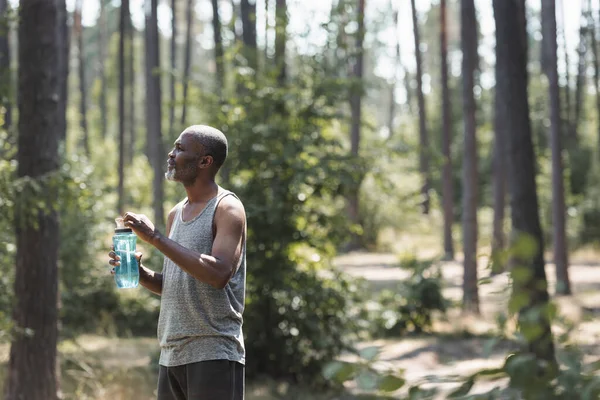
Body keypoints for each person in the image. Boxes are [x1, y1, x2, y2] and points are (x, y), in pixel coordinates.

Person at [108, 125, 247, 400]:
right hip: (172, 354)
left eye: (180, 149)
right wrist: (142, 273)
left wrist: (155, 238)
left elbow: (219, 274)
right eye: (174, 147)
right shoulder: (175, 213)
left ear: (205, 161)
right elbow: (178, 283)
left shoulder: (227, 208)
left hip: (213, 351)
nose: (171, 154)